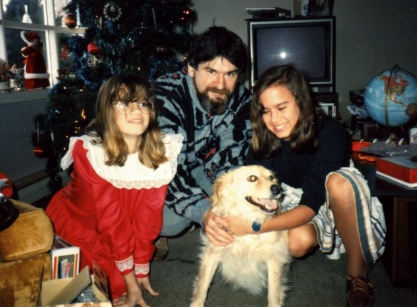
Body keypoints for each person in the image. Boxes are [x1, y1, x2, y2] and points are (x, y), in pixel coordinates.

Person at [216, 65, 386, 307]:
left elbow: (311, 203)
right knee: (296, 243)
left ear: (301, 101)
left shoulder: (331, 132)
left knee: (338, 182)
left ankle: (358, 275)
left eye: (282, 108)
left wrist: (253, 227)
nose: (274, 120)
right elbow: (250, 189)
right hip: (292, 197)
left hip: (335, 196)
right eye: (265, 111)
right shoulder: (263, 141)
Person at [46, 74, 183, 306]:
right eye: (123, 103)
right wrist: (130, 282)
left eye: (143, 103)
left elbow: (148, 216)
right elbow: (110, 221)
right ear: (106, 111)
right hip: (82, 222)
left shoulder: (162, 150)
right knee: (108, 288)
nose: (136, 110)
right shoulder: (90, 152)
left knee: (125, 281)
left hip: (117, 226)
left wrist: (141, 271)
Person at [154, 26, 252, 258]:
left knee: (239, 205)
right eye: (211, 71)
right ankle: (148, 230)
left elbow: (232, 160)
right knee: (172, 223)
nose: (220, 84)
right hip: (156, 170)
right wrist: (205, 212)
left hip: (198, 165)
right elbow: (164, 168)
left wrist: (230, 205)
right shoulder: (165, 96)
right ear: (191, 68)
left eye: (230, 74)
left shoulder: (241, 100)